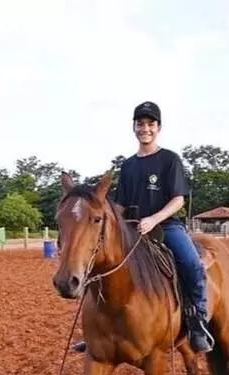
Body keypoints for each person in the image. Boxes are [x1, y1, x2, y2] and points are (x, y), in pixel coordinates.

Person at [72, 100, 214, 354]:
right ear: (134, 127)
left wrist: (154, 219)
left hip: (166, 226)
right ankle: (97, 330)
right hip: (132, 229)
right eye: (140, 123)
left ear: (158, 127)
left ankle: (197, 322)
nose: (145, 128)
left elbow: (178, 200)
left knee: (192, 264)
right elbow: (121, 205)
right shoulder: (128, 166)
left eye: (150, 123)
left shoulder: (170, 159)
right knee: (97, 263)